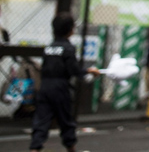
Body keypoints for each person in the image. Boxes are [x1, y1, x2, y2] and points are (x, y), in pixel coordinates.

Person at [29, 13, 100, 152]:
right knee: (66, 120)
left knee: (41, 120)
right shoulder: (68, 48)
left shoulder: (49, 48)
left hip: (45, 87)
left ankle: (34, 148)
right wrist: (89, 72)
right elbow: (74, 70)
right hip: (60, 87)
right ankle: (71, 147)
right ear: (70, 30)